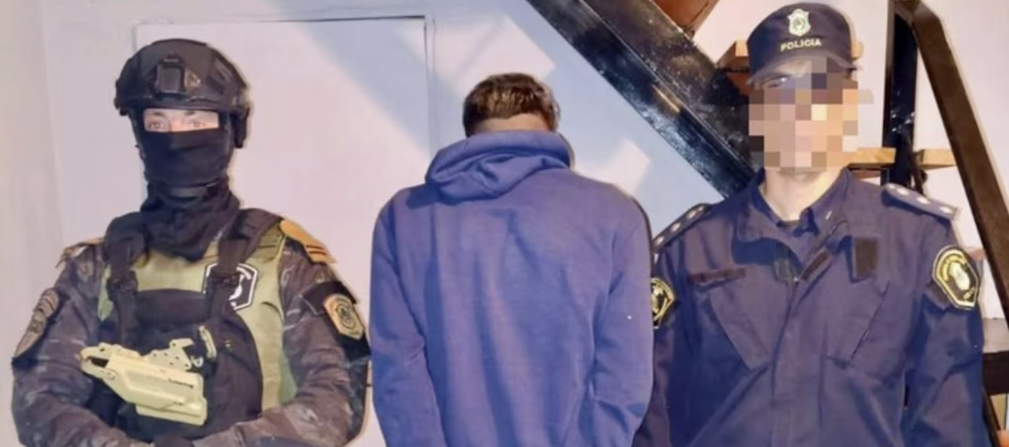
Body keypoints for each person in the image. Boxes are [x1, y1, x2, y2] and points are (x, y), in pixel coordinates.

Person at [634, 3, 987, 447]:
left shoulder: (916, 243)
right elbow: (655, 426)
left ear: (847, 101)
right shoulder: (690, 253)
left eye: (821, 84)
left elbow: (951, 429)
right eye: (780, 85)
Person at [10, 39, 369, 447]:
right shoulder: (98, 265)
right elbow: (39, 398)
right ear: (139, 132)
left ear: (231, 130)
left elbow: (338, 397)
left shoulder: (284, 261)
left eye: (194, 121)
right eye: (158, 123)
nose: (175, 138)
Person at [369, 73, 654, 447]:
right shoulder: (614, 213)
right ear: (548, 127)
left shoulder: (404, 217)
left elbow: (398, 372)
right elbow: (624, 375)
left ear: (471, 132)